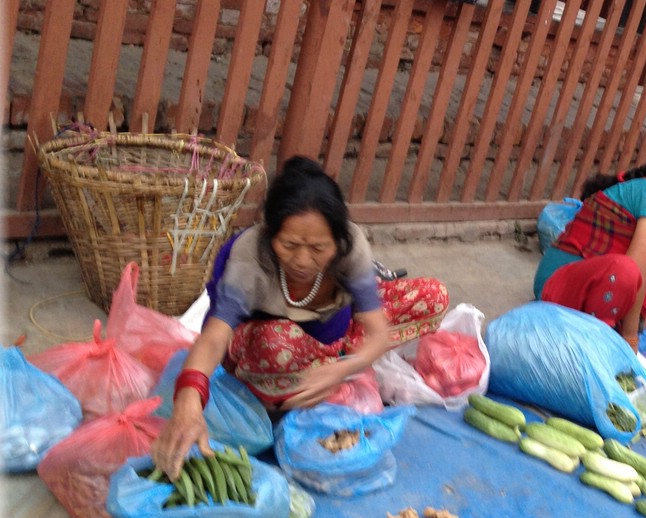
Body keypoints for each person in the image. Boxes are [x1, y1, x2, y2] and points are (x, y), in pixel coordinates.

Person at [151, 156, 450, 479]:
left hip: (337, 334)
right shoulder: (251, 255)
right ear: (270, 234)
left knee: (433, 296)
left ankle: (327, 369)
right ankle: (290, 392)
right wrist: (189, 398)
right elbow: (214, 336)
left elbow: (377, 331)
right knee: (277, 342)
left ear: (338, 239)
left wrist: (343, 369)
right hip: (269, 343)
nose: (303, 260)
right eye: (289, 245)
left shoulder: (351, 246)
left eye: (318, 248)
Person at [534, 140, 646, 351]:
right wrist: (630, 341)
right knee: (627, 271)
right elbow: (635, 271)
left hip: (591, 277)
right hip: (556, 287)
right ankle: (599, 341)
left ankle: (635, 329)